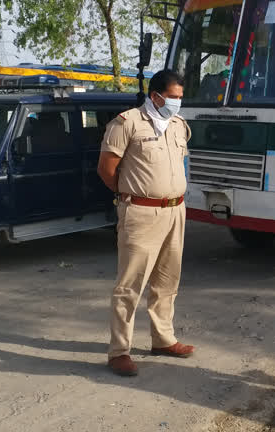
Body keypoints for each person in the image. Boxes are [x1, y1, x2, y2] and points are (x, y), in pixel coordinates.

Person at [97, 69, 194, 377]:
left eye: (180, 97)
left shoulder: (179, 126)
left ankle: (163, 339)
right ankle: (119, 351)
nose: (178, 102)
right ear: (156, 96)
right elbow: (106, 169)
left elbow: (179, 164)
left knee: (167, 282)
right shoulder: (126, 124)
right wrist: (133, 196)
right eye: (174, 97)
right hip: (140, 213)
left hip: (175, 211)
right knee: (129, 285)